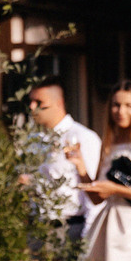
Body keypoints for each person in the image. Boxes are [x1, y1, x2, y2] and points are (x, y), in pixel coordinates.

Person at [79, 80, 131, 261]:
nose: (120, 111)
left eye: (128, 106)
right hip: (111, 227)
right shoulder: (108, 144)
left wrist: (116, 189)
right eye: (116, 105)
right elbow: (97, 199)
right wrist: (80, 167)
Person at [26, 79, 102, 245]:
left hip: (70, 229)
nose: (33, 107)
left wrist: (88, 238)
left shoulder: (83, 137)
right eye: (31, 102)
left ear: (58, 103)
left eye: (39, 102)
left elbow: (92, 192)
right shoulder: (33, 141)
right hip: (36, 229)